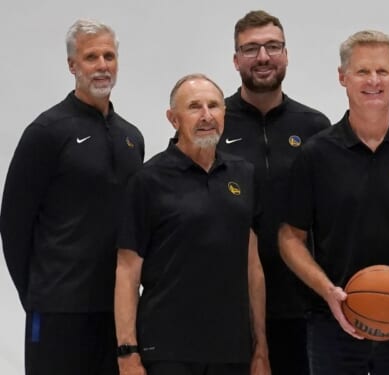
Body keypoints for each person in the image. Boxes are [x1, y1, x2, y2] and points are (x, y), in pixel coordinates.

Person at [278, 30, 389, 374]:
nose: (373, 80)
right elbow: (290, 237)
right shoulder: (315, 154)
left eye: (382, 71)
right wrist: (327, 291)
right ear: (342, 77)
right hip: (333, 325)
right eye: (362, 71)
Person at [0, 18, 144, 375]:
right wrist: (36, 294)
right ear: (72, 65)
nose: (102, 65)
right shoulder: (47, 132)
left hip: (115, 310)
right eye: (91, 56)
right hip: (57, 309)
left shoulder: (131, 138)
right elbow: (14, 222)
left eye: (108, 56)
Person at [114, 74, 270, 375]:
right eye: (194, 107)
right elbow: (127, 269)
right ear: (173, 118)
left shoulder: (243, 174)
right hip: (168, 350)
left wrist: (260, 346)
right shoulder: (148, 180)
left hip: (232, 350)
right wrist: (127, 352)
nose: (207, 115)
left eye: (214, 106)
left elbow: (253, 266)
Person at [218, 10, 330, 374]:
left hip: (303, 306)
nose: (263, 57)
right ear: (236, 60)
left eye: (272, 46)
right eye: (250, 49)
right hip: (229, 305)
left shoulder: (315, 126)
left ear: (286, 54)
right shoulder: (213, 123)